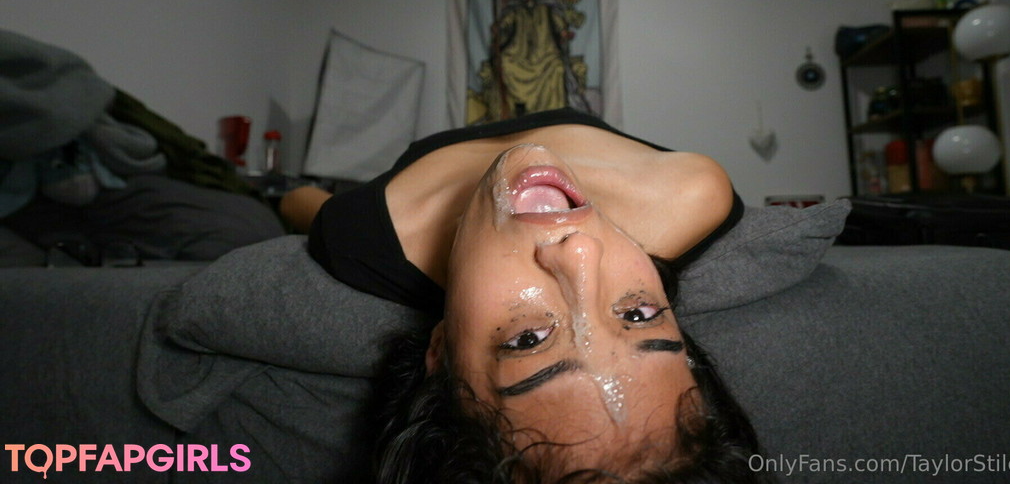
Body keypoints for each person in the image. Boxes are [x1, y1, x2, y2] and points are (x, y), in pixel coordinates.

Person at [282, 108, 763, 482]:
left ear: (441, 351)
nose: (580, 254)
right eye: (639, 315)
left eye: (529, 340)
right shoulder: (689, 192)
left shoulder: (358, 237)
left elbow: (296, 201)